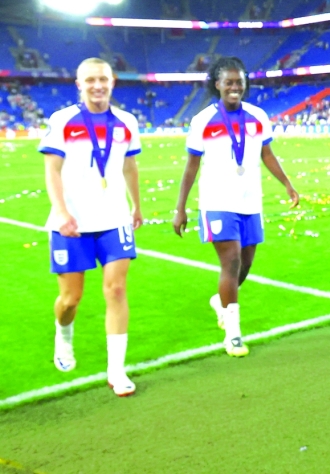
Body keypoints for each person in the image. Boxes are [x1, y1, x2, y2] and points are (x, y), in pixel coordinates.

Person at [172, 57, 299, 357]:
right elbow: (191, 166)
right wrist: (181, 207)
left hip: (250, 202)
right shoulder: (202, 120)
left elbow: (267, 154)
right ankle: (233, 334)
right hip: (217, 201)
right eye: (228, 82)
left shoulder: (257, 116)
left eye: (239, 82)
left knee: (246, 264)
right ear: (217, 84)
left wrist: (287, 183)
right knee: (230, 262)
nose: (234, 87)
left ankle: (220, 302)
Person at [39, 58, 143, 396]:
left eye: (103, 79)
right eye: (90, 80)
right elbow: (52, 170)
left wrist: (136, 205)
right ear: (79, 85)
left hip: (114, 219)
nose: (97, 85)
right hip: (72, 223)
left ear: (112, 82)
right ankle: (63, 334)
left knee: (116, 290)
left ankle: (117, 370)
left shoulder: (127, 121)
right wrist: (61, 212)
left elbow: (129, 167)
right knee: (71, 298)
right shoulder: (63, 120)